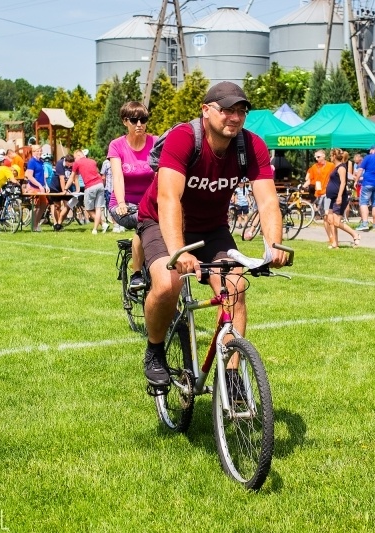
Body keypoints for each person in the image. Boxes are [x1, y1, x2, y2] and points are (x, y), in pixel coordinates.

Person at [137, 81, 289, 389]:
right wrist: (180, 252)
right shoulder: (183, 139)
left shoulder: (251, 146)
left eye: (241, 111)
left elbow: (268, 200)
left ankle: (231, 378)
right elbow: (168, 198)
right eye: (227, 110)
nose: (235, 117)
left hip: (212, 228)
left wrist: (274, 246)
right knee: (168, 284)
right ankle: (154, 351)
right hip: (161, 220)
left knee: (236, 287)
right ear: (206, 111)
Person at [108, 101, 156, 290]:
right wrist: (121, 202)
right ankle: (136, 275)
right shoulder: (117, 146)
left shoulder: (155, 142)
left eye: (143, 119)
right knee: (143, 220)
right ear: (124, 122)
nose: (139, 124)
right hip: (124, 206)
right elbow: (117, 178)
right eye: (134, 120)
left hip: (151, 204)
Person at [324, 148, 360, 249]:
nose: (330, 157)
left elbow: (343, 182)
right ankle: (335, 243)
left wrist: (339, 196)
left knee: (336, 222)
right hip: (332, 197)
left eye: (331, 155)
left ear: (335, 156)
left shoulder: (341, 168)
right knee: (330, 220)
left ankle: (355, 235)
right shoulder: (336, 167)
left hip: (339, 197)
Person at [67, 149, 107, 234]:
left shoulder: (76, 163)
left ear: (78, 155)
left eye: (75, 157)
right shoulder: (93, 161)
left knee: (88, 209)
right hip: (100, 184)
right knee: (98, 208)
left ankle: (98, 227)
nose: (75, 159)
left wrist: (65, 188)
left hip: (90, 186)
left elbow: (72, 177)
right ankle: (100, 226)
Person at [24, 144, 49, 231]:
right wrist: (38, 185)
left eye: (40, 150)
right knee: (36, 206)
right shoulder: (31, 162)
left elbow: (43, 176)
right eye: (37, 151)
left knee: (44, 204)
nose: (39, 152)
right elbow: (30, 176)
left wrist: (46, 185)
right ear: (33, 152)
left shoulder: (41, 162)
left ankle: (36, 224)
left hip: (41, 186)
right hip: (34, 187)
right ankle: (33, 225)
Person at [302, 149, 334, 219]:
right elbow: (310, 179)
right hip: (319, 192)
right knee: (324, 216)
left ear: (324, 156)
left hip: (328, 192)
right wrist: (303, 187)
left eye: (318, 157)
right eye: (315, 157)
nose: (316, 159)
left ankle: (333, 226)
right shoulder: (314, 167)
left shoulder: (331, 165)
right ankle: (329, 228)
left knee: (327, 212)